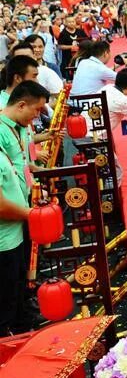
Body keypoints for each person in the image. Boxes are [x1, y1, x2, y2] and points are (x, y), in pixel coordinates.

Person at [0, 81, 46, 336]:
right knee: (6, 299)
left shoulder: (14, 129)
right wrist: (32, 214)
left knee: (17, 288)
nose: (37, 117)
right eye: (37, 111)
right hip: (5, 237)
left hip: (15, 228)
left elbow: (18, 170)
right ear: (20, 104)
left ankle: (21, 326)